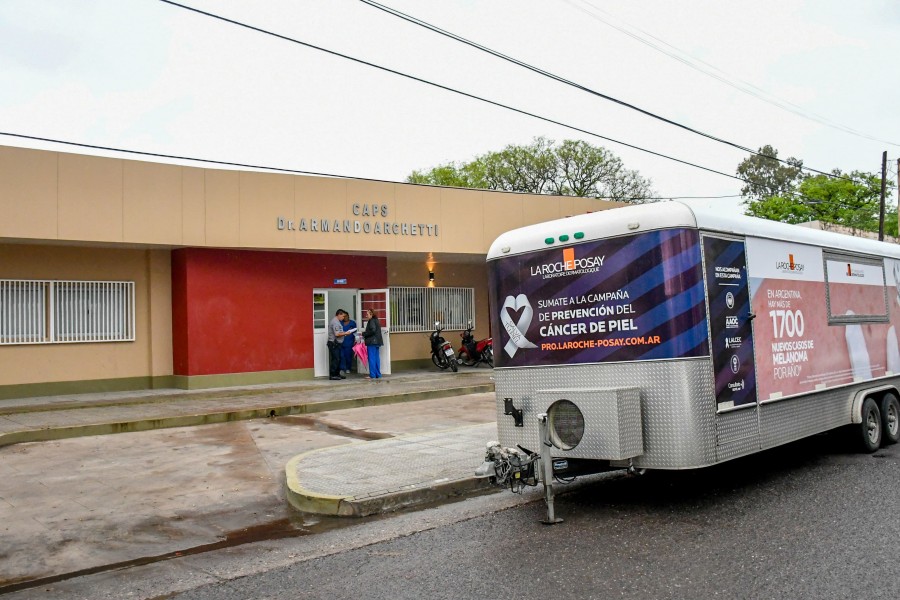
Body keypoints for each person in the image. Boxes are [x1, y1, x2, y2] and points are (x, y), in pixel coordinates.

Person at [327, 309, 350, 380]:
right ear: (339, 314)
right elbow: (337, 334)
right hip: (334, 344)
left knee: (339, 359)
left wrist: (344, 333)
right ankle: (333, 375)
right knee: (335, 359)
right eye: (343, 316)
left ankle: (337, 374)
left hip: (337, 344)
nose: (343, 318)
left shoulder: (338, 322)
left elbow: (339, 332)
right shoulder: (335, 322)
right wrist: (346, 333)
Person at [362, 308, 384, 379]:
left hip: (372, 342)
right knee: (376, 358)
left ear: (371, 314)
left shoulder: (371, 321)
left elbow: (373, 330)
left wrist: (364, 334)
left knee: (371, 358)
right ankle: (378, 374)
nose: (366, 315)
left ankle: (372, 375)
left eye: (367, 314)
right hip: (377, 342)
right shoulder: (376, 320)